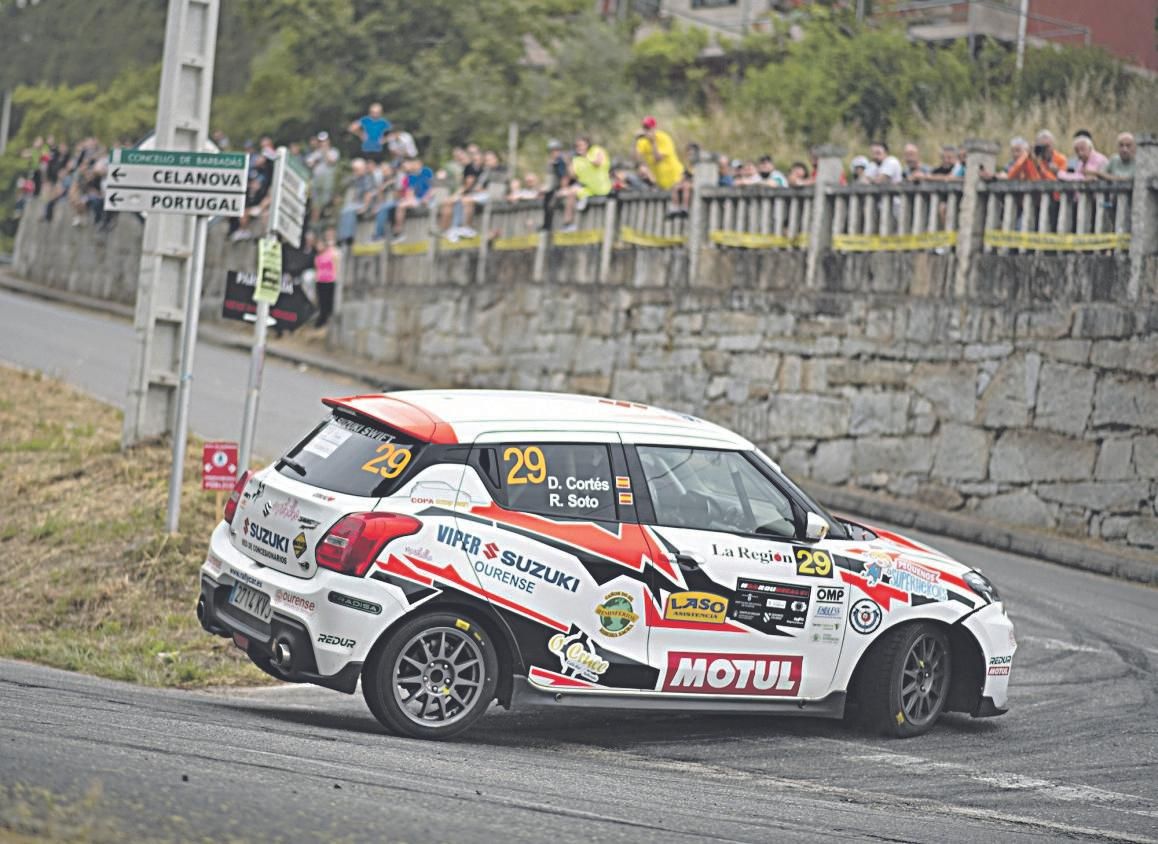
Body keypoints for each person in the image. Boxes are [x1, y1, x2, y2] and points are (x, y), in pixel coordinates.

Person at [634, 116, 691, 217]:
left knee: (682, 187)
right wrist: (636, 140)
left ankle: (683, 209)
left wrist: (653, 143)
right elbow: (636, 158)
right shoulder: (642, 142)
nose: (647, 131)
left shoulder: (664, 138)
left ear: (655, 128)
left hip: (675, 174)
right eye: (645, 128)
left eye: (649, 128)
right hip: (661, 180)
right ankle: (675, 209)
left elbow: (658, 157)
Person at [562, 135, 611, 231]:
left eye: (581, 145)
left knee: (576, 191)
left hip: (602, 187)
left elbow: (597, 163)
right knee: (571, 192)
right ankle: (568, 223)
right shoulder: (577, 160)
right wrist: (568, 162)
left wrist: (586, 156)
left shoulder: (596, 150)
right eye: (577, 146)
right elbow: (573, 175)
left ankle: (584, 199)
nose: (579, 148)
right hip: (588, 189)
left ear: (587, 144)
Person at [313, 228, 340, 330]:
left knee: (328, 302)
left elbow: (336, 265)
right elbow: (317, 268)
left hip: (330, 280)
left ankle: (324, 320)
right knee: (322, 302)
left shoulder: (331, 253)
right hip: (320, 280)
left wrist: (335, 276)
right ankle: (322, 320)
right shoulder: (318, 256)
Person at [541, 139, 570, 231]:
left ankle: (549, 226)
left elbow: (564, 176)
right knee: (547, 205)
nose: (554, 153)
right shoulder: (552, 162)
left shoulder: (560, 162)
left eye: (556, 150)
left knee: (551, 205)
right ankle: (546, 226)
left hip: (557, 188)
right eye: (552, 151)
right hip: (550, 189)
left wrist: (563, 188)